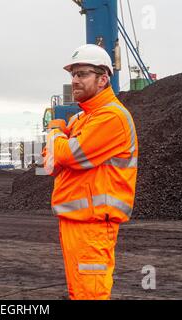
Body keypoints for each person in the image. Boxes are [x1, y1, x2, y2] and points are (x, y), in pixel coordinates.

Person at [43, 44, 138, 300]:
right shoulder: (82, 119)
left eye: (82, 74)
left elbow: (68, 155)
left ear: (103, 78)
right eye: (73, 74)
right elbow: (50, 165)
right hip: (74, 221)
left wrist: (53, 132)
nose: (74, 80)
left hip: (94, 226)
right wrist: (59, 146)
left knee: (91, 294)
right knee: (79, 293)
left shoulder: (111, 117)